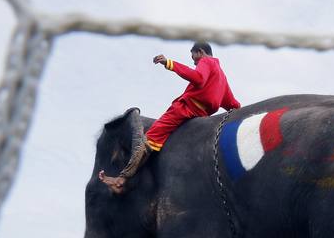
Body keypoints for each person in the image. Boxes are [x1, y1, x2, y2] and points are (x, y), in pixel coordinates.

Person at [99, 42, 241, 193]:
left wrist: (169, 63)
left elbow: (198, 77)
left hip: (185, 109)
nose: (193, 61)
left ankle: (121, 179)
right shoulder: (221, 76)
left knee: (149, 139)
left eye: (193, 55)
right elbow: (232, 103)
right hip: (201, 116)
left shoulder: (206, 62)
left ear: (200, 52)